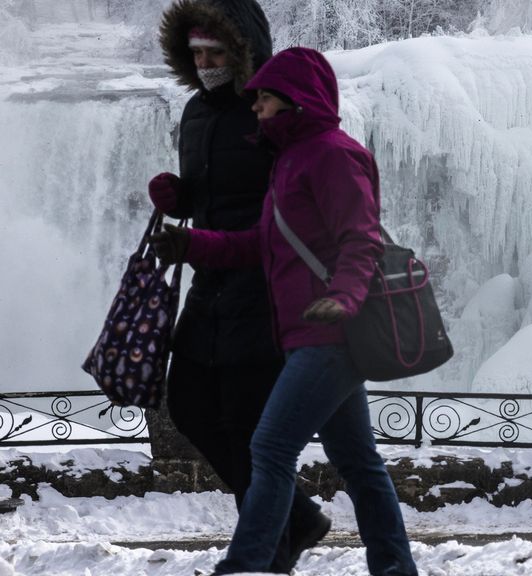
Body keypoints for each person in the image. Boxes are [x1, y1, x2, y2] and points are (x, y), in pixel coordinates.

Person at [150, 46, 419, 576]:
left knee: (269, 448)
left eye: (265, 99)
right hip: (305, 334)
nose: (255, 108)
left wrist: (342, 297)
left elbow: (360, 238)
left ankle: (246, 565)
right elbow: (262, 244)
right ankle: (395, 568)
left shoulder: (333, 154)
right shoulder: (291, 159)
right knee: (360, 465)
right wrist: (194, 245)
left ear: (296, 100)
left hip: (331, 335)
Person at [149, 1, 329, 572]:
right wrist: (180, 196)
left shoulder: (270, 112)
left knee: (249, 426)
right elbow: (214, 193)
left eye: (216, 53)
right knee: (191, 403)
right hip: (211, 279)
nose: (205, 64)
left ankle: (266, 554)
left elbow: (289, 208)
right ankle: (295, 519)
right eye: (196, 54)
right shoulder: (196, 113)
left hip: (267, 286)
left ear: (242, 50)